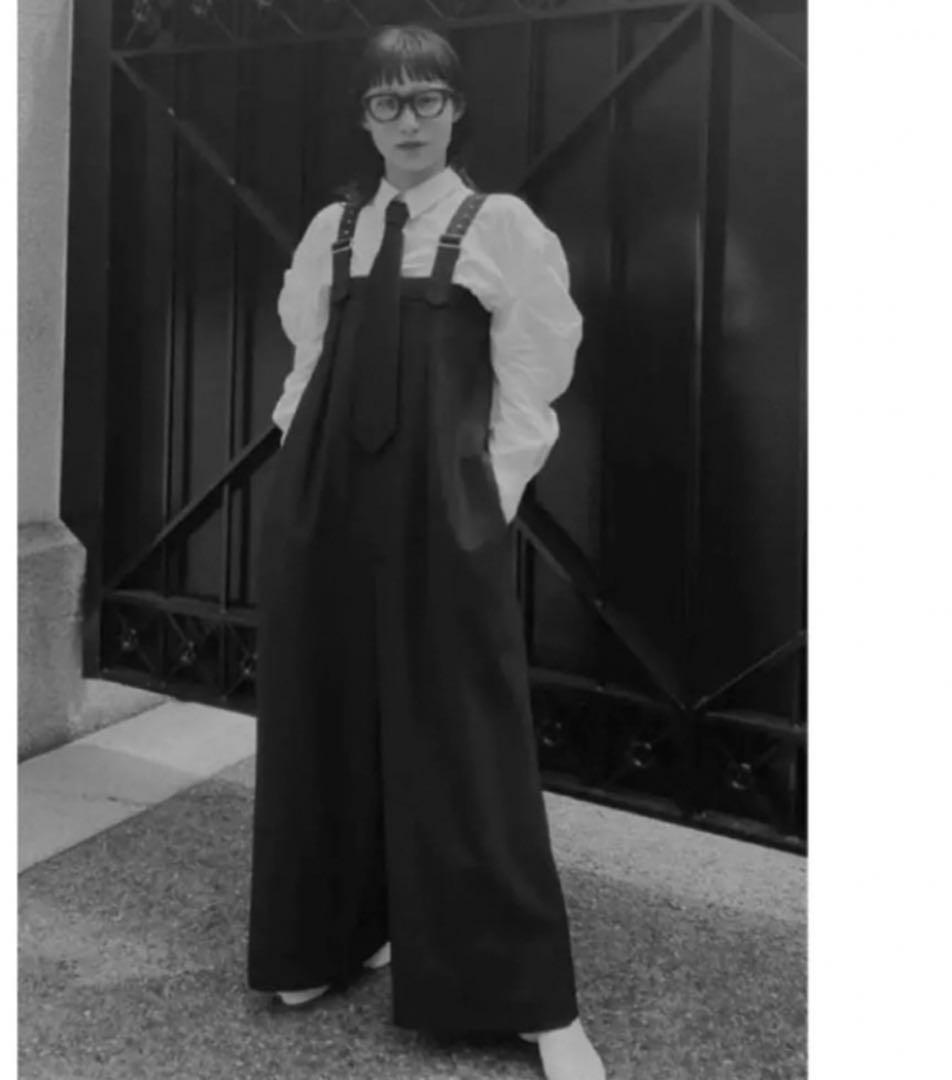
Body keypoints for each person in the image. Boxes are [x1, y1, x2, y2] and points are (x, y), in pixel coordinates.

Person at [246, 23, 606, 1080]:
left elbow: (534, 375)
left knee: (464, 729)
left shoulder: (501, 227)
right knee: (320, 712)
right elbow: (308, 355)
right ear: (365, 119)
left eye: (426, 99)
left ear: (456, 109)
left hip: (441, 506)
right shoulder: (335, 229)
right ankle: (327, 935)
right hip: (325, 501)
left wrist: (483, 496)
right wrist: (295, 462)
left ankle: (524, 995)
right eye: (387, 102)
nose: (408, 120)